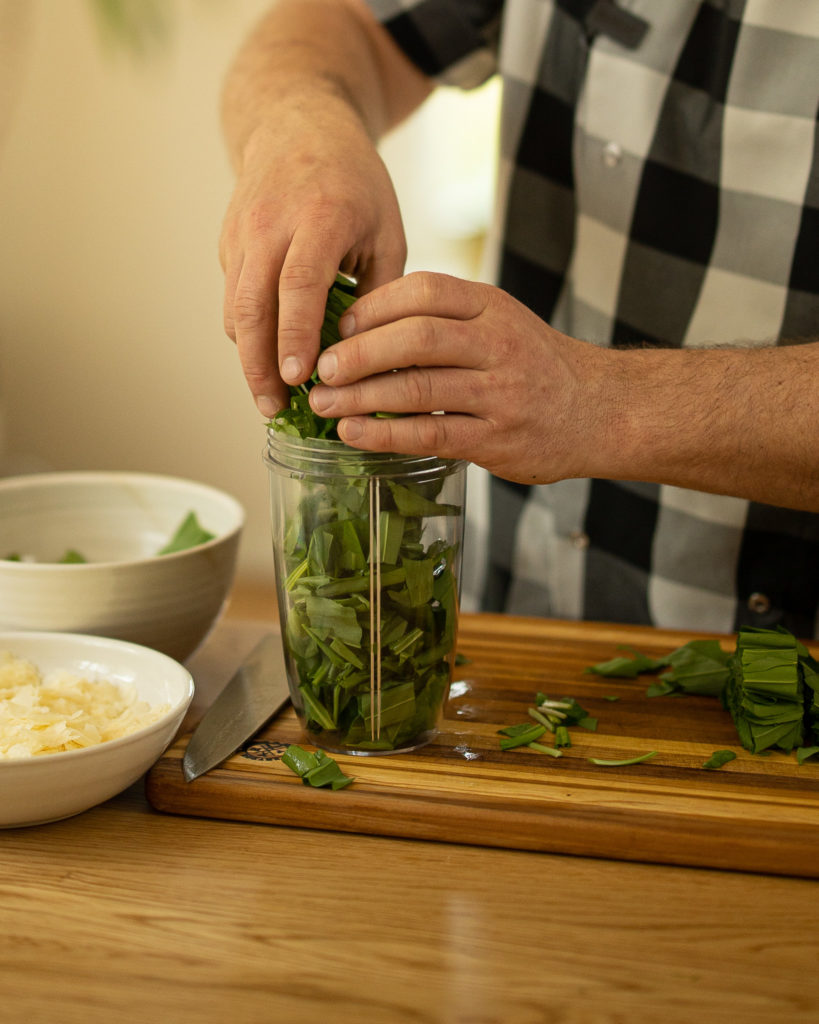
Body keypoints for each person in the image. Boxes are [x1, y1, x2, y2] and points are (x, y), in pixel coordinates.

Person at [218, 0, 819, 637]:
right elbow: (350, 21)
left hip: (776, 649)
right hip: (506, 611)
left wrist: (599, 403)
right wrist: (301, 130)